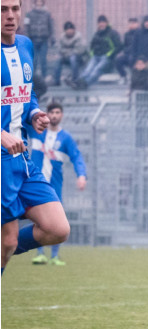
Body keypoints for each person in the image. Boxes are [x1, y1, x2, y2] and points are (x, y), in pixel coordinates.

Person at [1, 0, 70, 274]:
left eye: (15, 9)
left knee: (57, 228)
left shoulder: (26, 45)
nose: (10, 15)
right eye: (2, 9)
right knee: (7, 240)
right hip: (2, 160)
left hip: (23, 158)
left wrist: (35, 115)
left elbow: (26, 95)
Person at [28, 102, 86, 266]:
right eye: (52, 112)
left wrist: (81, 175)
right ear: (47, 114)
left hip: (55, 185)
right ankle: (40, 253)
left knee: (57, 218)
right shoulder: (37, 130)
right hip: (35, 183)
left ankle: (54, 255)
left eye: (57, 112)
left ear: (61, 115)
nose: (54, 115)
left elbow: (76, 157)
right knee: (38, 218)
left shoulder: (66, 138)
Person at [70, 15, 122, 90]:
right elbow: (92, 46)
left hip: (107, 58)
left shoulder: (112, 33)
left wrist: (109, 55)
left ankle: (85, 84)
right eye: (100, 22)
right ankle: (77, 82)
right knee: (88, 70)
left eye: (103, 22)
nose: (101, 24)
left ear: (107, 23)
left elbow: (119, 46)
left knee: (97, 69)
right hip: (96, 56)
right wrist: (92, 54)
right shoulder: (97, 34)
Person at [23, 0, 53, 78]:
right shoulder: (29, 14)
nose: (39, 4)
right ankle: (32, 78)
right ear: (35, 3)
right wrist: (27, 38)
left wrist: (52, 37)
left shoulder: (47, 14)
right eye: (37, 2)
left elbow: (51, 26)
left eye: (40, 2)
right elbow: (26, 27)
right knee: (34, 60)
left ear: (43, 3)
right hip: (33, 40)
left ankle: (43, 78)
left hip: (44, 40)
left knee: (43, 60)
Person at [53, 21, 87, 86]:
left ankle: (75, 80)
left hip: (78, 58)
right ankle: (56, 81)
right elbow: (60, 49)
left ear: (74, 30)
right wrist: (68, 52)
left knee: (73, 58)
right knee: (58, 59)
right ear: (65, 31)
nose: (69, 31)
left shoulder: (78, 37)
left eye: (71, 30)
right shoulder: (62, 38)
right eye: (67, 30)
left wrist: (67, 52)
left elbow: (78, 50)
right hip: (66, 57)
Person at [114, 17, 139, 85]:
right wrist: (121, 52)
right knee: (118, 60)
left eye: (133, 23)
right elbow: (125, 46)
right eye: (130, 23)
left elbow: (136, 46)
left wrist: (127, 50)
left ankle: (133, 78)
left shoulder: (140, 33)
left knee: (131, 59)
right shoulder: (126, 34)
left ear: (137, 24)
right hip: (127, 54)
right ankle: (123, 76)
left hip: (137, 54)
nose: (131, 25)